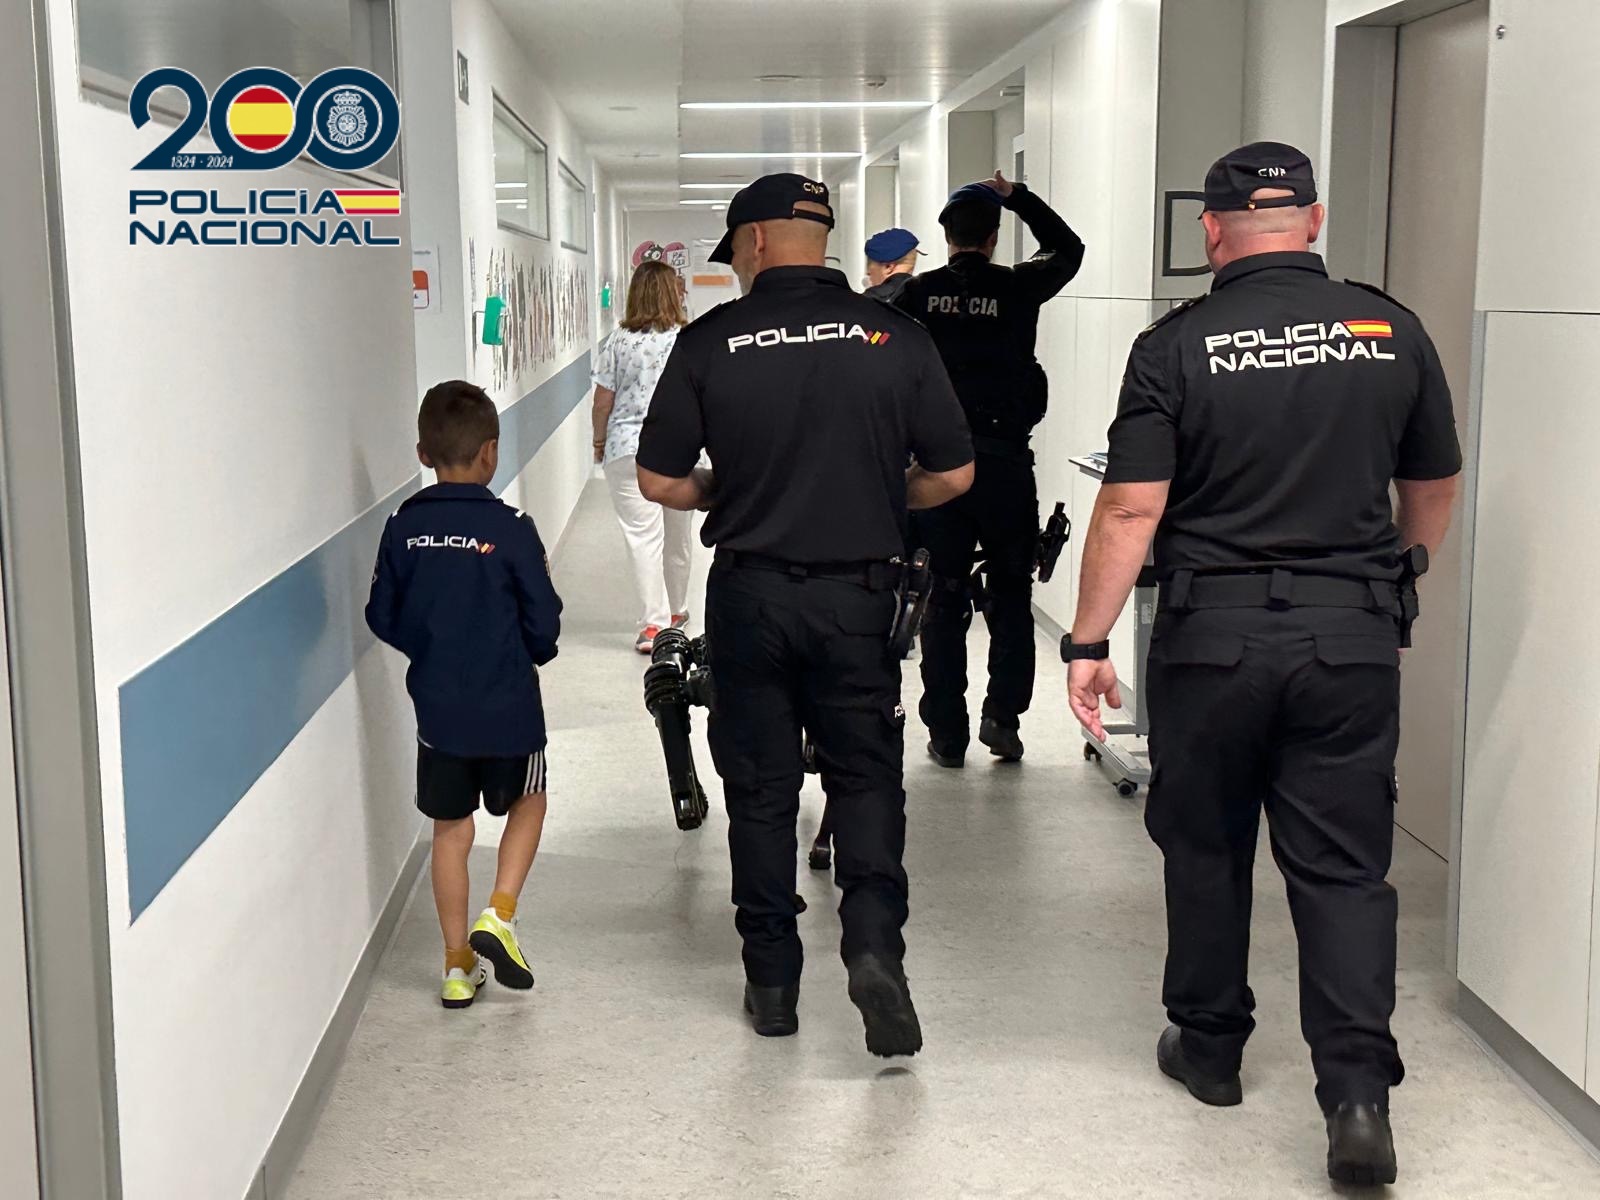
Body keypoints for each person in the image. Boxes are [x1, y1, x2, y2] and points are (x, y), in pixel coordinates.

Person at [1064, 142, 1461, 1187]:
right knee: (1344, 869)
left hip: (1214, 639)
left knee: (1204, 845)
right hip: (1348, 637)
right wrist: (1398, 580)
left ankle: (1209, 1050)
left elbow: (1131, 508)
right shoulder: (1390, 329)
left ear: (1211, 230)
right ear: (1314, 220)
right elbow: (1432, 483)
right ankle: (1358, 1098)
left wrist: (1088, 641)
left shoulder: (1175, 345)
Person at [635, 173, 974, 1056]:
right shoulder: (896, 336)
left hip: (751, 595)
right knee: (866, 778)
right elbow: (953, 473)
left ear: (752, 243)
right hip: (860, 595)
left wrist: (727, 491)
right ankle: (873, 950)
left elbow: (659, 479)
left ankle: (774, 982)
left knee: (760, 788)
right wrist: (878, 496)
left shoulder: (712, 341)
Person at [366, 380, 564, 1009]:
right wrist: (531, 653)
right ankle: (499, 914)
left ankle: (456, 966)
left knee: (450, 829)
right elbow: (544, 619)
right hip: (509, 704)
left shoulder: (403, 526)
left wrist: (429, 650)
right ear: (490, 452)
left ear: (423, 454)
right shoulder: (512, 528)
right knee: (529, 798)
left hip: (438, 710)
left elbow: (381, 614)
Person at [896, 171, 1084, 767]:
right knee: (1011, 594)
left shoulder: (917, 294)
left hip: (937, 470)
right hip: (1004, 465)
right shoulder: (1018, 286)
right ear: (995, 237)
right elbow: (1068, 249)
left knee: (942, 597)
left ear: (946, 236)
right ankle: (1003, 719)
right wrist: (1018, 196)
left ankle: (947, 733)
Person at [591, 260, 694, 653]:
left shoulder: (618, 341)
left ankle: (653, 625)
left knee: (643, 537)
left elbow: (603, 402)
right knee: (677, 537)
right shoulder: (688, 339)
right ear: (674, 293)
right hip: (678, 448)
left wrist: (599, 441)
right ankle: (676, 612)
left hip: (626, 448)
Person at [862, 227, 923, 304]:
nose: (867, 272)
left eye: (869, 264)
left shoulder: (870, 300)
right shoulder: (929, 295)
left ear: (888, 267)